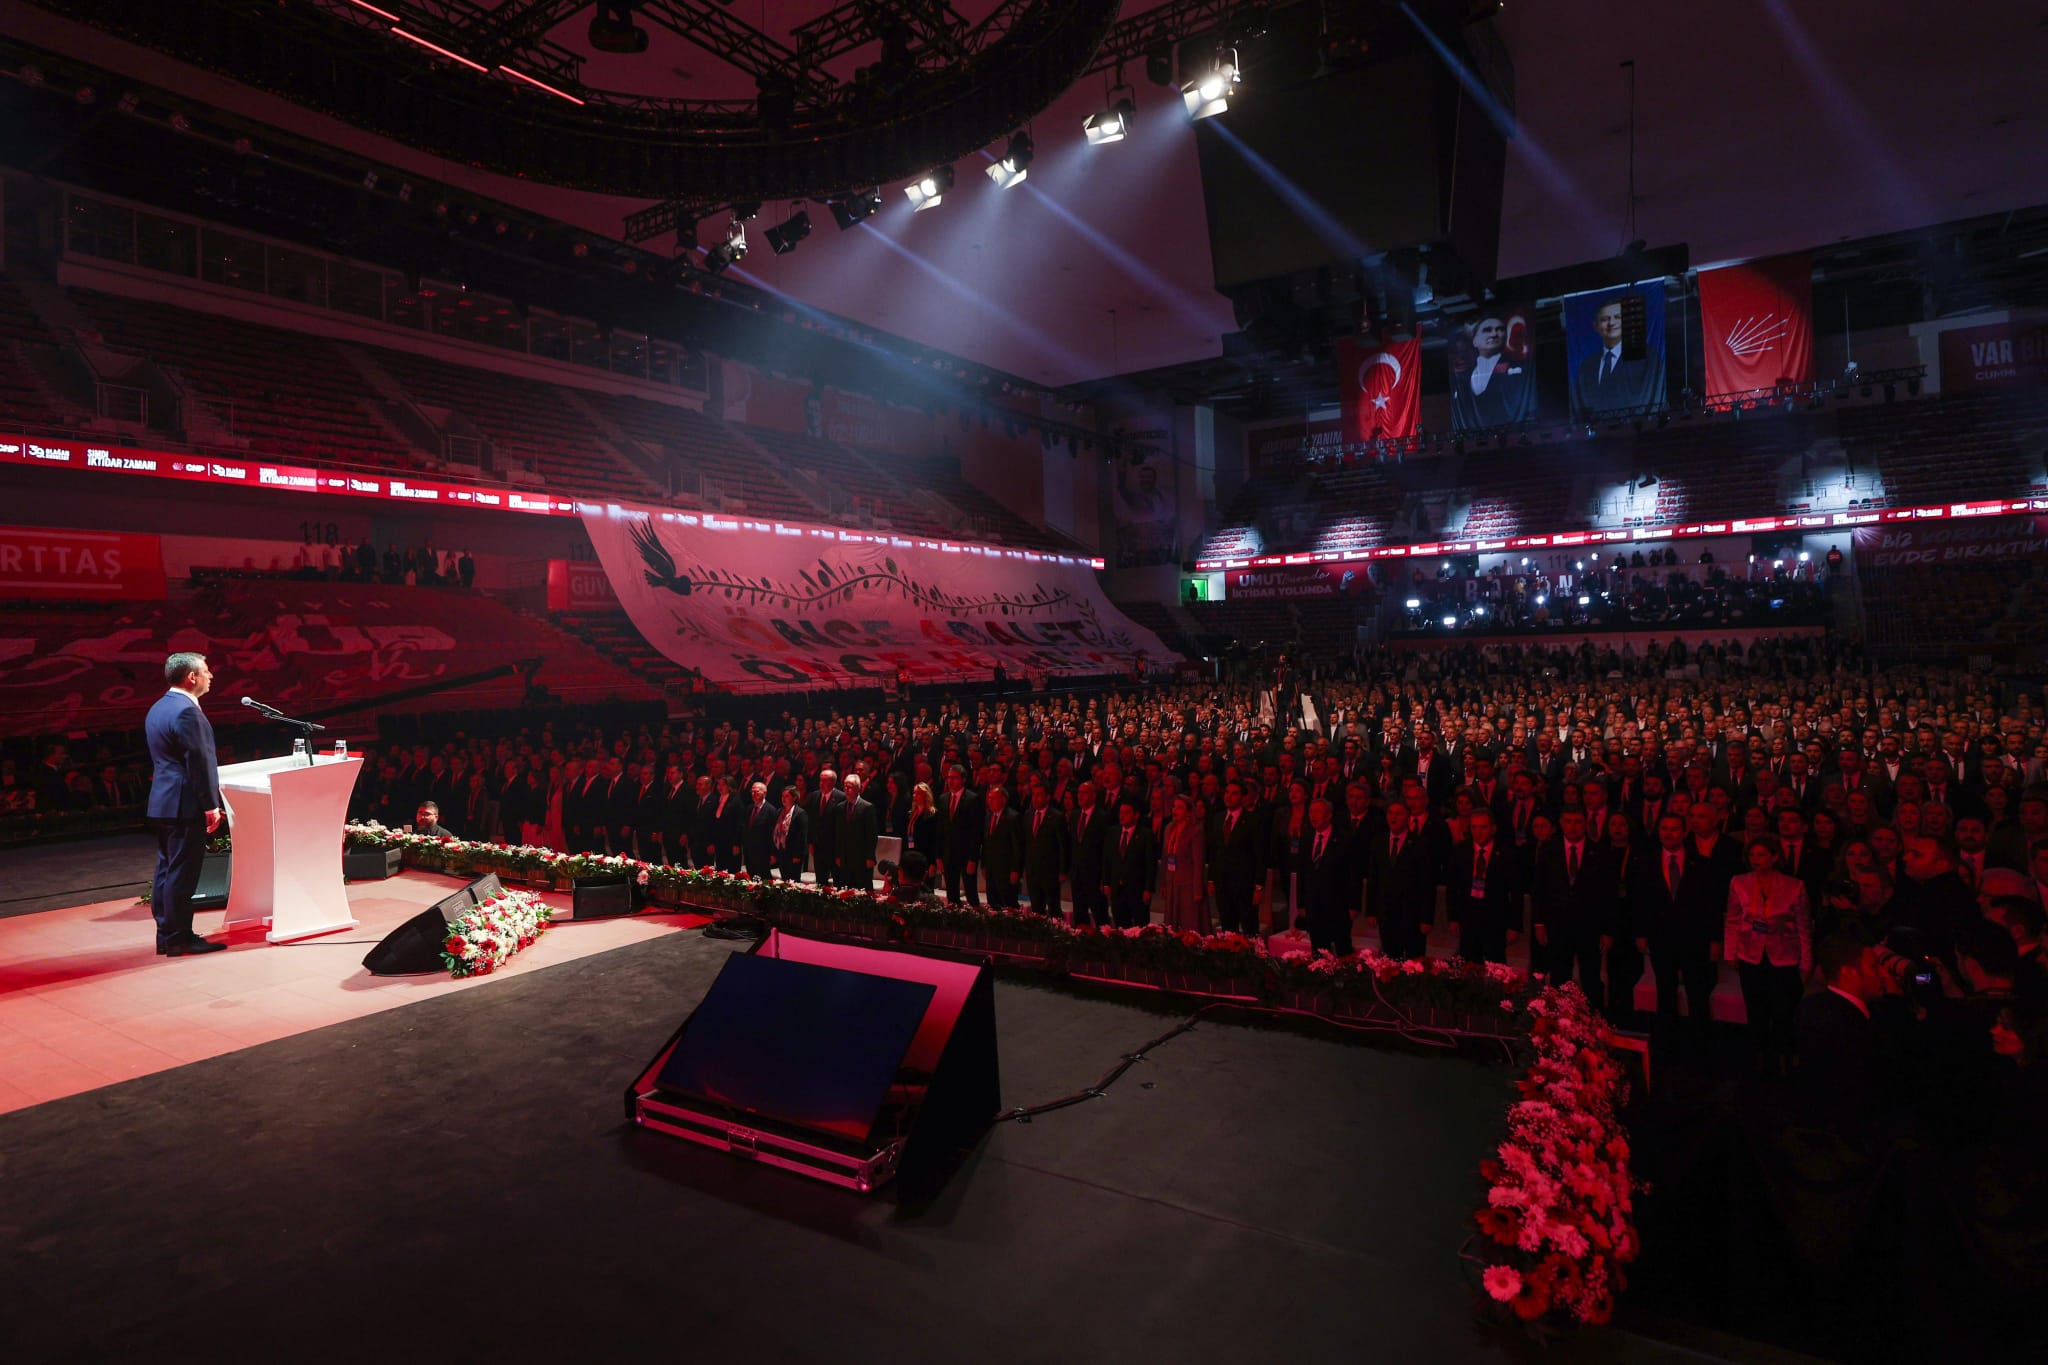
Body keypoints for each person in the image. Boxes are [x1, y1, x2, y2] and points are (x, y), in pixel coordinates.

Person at [144, 652, 228, 956]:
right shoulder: (187, 711)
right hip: (185, 803)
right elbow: (199, 761)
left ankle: (167, 935)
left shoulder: (159, 707)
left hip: (164, 801)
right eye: (206, 671)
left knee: (167, 869)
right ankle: (180, 937)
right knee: (182, 872)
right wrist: (210, 804)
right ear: (191, 677)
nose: (210, 676)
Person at [1725, 834, 1813, 1070]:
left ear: (1774, 857)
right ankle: (1759, 1056)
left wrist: (1806, 962)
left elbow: (1803, 926)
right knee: (1755, 1008)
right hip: (1749, 954)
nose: (1756, 859)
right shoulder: (1738, 882)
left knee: (1784, 1010)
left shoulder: (1795, 885)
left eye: (1761, 854)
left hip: (1784, 956)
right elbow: (1732, 919)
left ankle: (1784, 1056)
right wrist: (1729, 952)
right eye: (1752, 854)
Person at [1533, 807, 1615, 994]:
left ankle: (1591, 1019)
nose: (1573, 826)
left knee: (1591, 976)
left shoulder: (1600, 852)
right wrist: (1539, 922)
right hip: (1557, 923)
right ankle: (1558, 1020)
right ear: (1561, 824)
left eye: (1577, 821)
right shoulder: (1549, 849)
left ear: (1585, 824)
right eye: (1568, 821)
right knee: (1559, 975)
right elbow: (1539, 888)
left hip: (1589, 925)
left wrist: (1608, 929)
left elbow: (1608, 895)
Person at [1449, 808, 1519, 963]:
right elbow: (1453, 887)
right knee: (1469, 965)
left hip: (1495, 919)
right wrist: (1453, 917)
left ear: (1493, 828)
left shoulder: (1507, 854)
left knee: (1496, 966)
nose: (1478, 832)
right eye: (1474, 827)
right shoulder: (1461, 850)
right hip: (1468, 917)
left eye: (1483, 827)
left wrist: (1514, 925)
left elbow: (1515, 893)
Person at [1367, 797, 1434, 959]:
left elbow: (1427, 884)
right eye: (1390, 813)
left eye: (1398, 813)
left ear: (1408, 816)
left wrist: (1427, 918)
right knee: (1389, 960)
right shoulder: (1379, 842)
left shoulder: (1420, 844)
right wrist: (1371, 911)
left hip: (1412, 914)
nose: (1393, 817)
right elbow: (1373, 879)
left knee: (1414, 961)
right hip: (1386, 913)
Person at [1450, 311, 1535, 429]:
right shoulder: (1462, 378)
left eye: (1500, 329)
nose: (1494, 334)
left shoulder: (1518, 369)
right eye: (1487, 330)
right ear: (1475, 341)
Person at [1208, 778, 1265, 936]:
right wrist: (1211, 878)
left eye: (1234, 794)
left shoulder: (1253, 820)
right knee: (1227, 926)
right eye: (1227, 793)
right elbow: (1214, 851)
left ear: (1242, 797)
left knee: (1249, 927)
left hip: (1245, 884)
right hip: (1222, 883)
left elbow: (1260, 855)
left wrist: (1259, 886)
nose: (1229, 796)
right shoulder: (1218, 818)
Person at [1155, 793, 1209, 934]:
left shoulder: (1196, 830)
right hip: (1172, 881)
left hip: (1188, 884)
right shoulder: (1169, 828)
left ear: (1188, 811)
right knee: (1172, 924)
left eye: (1179, 807)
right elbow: (1165, 857)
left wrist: (1198, 890)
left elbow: (1199, 862)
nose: (1174, 810)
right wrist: (1163, 883)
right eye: (1173, 807)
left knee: (1188, 923)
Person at [1103, 798, 1156, 928]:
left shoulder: (1146, 835)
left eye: (1126, 813)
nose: (1122, 816)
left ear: (1136, 815)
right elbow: (1106, 859)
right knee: (1120, 925)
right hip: (1117, 888)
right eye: (1121, 812)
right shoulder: (1112, 832)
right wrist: (1106, 882)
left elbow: (1151, 864)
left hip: (1137, 889)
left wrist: (1148, 889)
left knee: (1140, 926)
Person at [936, 766, 982, 906]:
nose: (951, 781)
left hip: (966, 854)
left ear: (963, 779)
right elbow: (940, 830)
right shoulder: (943, 799)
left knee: (971, 892)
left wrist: (973, 859)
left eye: (954, 778)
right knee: (951, 893)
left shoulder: (973, 799)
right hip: (948, 853)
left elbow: (976, 832)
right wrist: (938, 856)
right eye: (949, 778)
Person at [1067, 780, 1111, 927]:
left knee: (1099, 913)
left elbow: (1105, 850)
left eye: (1084, 793)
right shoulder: (1074, 815)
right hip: (1077, 873)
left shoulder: (1103, 817)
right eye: (1079, 793)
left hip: (1095, 874)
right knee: (1079, 911)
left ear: (1093, 796)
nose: (1080, 796)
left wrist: (1104, 878)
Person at [1022, 783, 1070, 916]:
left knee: (1053, 907)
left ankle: (1055, 934)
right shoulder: (1028, 814)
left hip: (1051, 871)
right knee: (1036, 907)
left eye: (1039, 795)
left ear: (1047, 797)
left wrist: (1062, 870)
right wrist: (1025, 867)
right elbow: (1026, 843)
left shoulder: (1057, 817)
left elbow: (1063, 846)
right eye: (1034, 795)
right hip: (1033, 870)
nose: (1035, 798)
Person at [978, 783, 1024, 909]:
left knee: (1008, 904)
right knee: (993, 903)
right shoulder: (988, 817)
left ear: (1003, 799)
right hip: (991, 869)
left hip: (1006, 870)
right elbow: (986, 843)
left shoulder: (1013, 817)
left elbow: (1017, 847)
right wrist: (984, 865)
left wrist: (1015, 870)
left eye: (994, 798)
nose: (990, 801)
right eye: (989, 798)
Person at [838, 773, 880, 891]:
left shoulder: (867, 807)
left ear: (858, 788)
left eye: (850, 787)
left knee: (863, 888)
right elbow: (838, 834)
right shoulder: (840, 807)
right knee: (845, 889)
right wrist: (838, 855)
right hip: (845, 856)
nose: (846, 789)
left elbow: (871, 835)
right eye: (845, 786)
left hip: (862, 858)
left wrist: (870, 857)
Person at [771, 783, 809, 882]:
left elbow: (802, 837)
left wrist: (797, 855)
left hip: (793, 854)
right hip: (782, 852)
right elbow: (775, 832)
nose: (783, 798)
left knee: (793, 882)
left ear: (795, 797)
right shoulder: (779, 812)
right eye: (782, 796)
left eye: (787, 796)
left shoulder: (800, 814)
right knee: (784, 879)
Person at [742, 780, 777, 879]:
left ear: (764, 793)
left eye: (756, 791)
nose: (753, 794)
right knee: (751, 879)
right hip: (750, 852)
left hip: (763, 852)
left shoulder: (771, 810)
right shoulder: (749, 808)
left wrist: (773, 853)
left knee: (764, 879)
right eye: (752, 792)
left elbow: (772, 834)